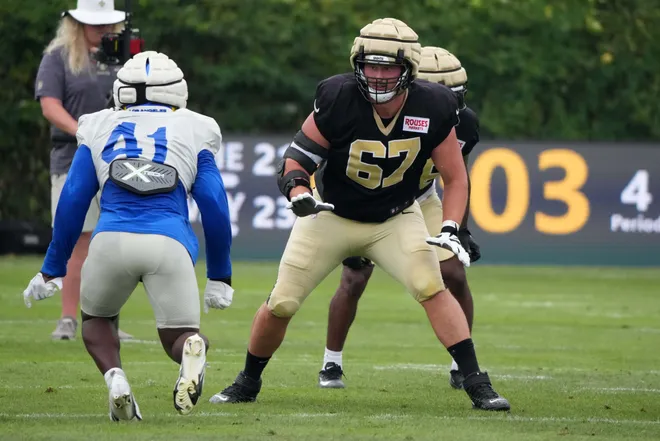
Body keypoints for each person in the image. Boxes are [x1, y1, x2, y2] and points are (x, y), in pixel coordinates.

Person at [209, 18, 510, 411]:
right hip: (331, 216)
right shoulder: (338, 97)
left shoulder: (434, 105)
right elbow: (296, 159)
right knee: (282, 302)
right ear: (357, 63)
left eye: (389, 67)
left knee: (431, 286)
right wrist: (299, 191)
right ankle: (247, 382)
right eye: (372, 65)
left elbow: (455, 178)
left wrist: (452, 226)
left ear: (409, 69)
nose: (379, 76)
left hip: (395, 217)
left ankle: (475, 382)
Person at [22, 51, 234, 420]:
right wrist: (220, 276)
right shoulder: (196, 127)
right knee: (178, 337)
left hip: (111, 241)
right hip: (169, 244)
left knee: (97, 322)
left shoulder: (98, 124)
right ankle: (191, 348)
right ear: (177, 90)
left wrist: (51, 268)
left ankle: (116, 377)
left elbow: (73, 200)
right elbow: (215, 206)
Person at [317, 46, 482, 391]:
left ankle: (461, 364)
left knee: (453, 271)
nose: (449, 106)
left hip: (421, 196)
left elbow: (456, 177)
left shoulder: (463, 123)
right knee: (354, 278)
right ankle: (331, 362)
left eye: (455, 97)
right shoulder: (378, 109)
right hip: (372, 197)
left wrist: (459, 228)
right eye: (443, 96)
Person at [35, 0, 132, 340]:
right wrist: (84, 133)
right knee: (79, 241)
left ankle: (107, 321)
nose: (104, 31)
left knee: (114, 243)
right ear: (78, 25)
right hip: (72, 157)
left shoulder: (123, 55)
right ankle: (67, 318)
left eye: (108, 25)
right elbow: (50, 105)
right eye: (96, 25)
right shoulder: (58, 57)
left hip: (117, 161)